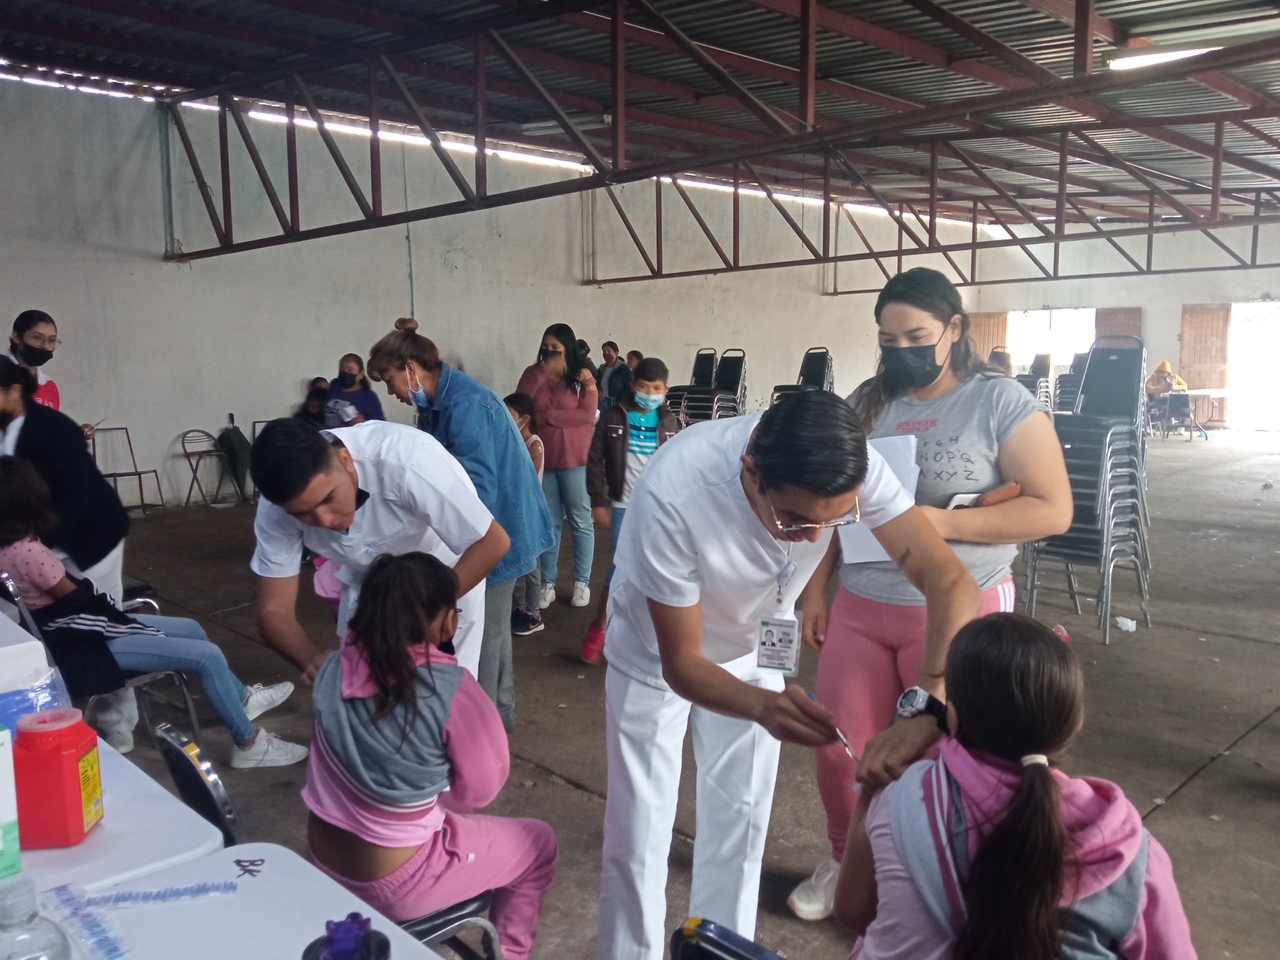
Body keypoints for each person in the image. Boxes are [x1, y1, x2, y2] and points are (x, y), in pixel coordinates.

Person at [597, 390, 980, 960]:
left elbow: (951, 584)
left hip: (757, 639)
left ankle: (720, 950)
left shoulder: (853, 466)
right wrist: (763, 707)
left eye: (834, 520)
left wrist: (926, 704)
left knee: (742, 818)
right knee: (640, 828)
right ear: (751, 472)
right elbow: (683, 663)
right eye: (795, 520)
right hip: (657, 648)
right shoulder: (677, 488)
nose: (814, 539)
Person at [789, 267, 1072, 921]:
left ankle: (942, 875)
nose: (901, 352)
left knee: (952, 753)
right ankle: (847, 863)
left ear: (954, 329)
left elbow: (1052, 508)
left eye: (916, 338)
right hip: (863, 601)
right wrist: (815, 589)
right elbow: (836, 499)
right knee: (840, 746)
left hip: (956, 604)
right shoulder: (867, 403)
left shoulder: (998, 403)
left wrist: (939, 524)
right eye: (887, 341)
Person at [833, 613, 1196, 960]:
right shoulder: (1128, 849)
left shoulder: (903, 801)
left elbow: (853, 912)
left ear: (952, 718)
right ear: (1076, 722)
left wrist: (871, 792)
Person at [303, 552, 558, 960]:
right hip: (397, 884)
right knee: (538, 843)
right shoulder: (451, 689)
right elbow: (480, 791)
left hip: (320, 862)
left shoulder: (332, 667)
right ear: (447, 623)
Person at [0, 456, 307, 768]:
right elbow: (75, 598)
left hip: (70, 633)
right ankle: (248, 743)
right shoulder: (29, 552)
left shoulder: (8, 547)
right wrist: (117, 614)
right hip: (83, 645)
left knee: (191, 628)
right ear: (29, 498)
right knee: (208, 656)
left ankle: (240, 698)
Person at [366, 318, 554, 732]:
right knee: (494, 636)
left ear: (411, 368)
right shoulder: (437, 405)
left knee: (481, 639)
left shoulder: (464, 406)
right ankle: (496, 726)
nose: (391, 391)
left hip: (500, 528)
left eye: (390, 379)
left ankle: (478, 734)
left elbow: (476, 490)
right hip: (498, 525)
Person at [248, 418, 510, 685]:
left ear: (345, 460)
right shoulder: (277, 509)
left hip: (449, 571)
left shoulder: (407, 460)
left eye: (328, 498)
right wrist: (313, 661)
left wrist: (426, 610)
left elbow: (493, 542)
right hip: (369, 581)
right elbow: (274, 609)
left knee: (448, 686)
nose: (324, 520)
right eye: (302, 514)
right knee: (367, 683)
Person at [0, 357, 139, 750]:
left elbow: (76, 497)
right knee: (43, 628)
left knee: (97, 624)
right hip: (32, 545)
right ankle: (52, 707)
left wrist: (37, 550)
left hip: (87, 540)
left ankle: (118, 719)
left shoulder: (54, 429)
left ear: (13, 390)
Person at [581, 357, 678, 665]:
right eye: (644, 387)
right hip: (624, 504)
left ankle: (644, 635)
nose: (650, 394)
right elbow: (595, 459)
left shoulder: (669, 423)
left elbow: (677, 465)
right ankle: (599, 628)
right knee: (620, 566)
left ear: (666, 390)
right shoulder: (614, 416)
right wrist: (598, 501)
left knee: (658, 568)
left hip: (658, 508)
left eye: (657, 388)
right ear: (634, 386)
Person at [516, 324, 598, 611]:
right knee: (549, 523)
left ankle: (582, 582)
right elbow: (522, 407)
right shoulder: (532, 374)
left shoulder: (581, 377)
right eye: (547, 347)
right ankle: (547, 583)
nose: (550, 353)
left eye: (557, 349)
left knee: (580, 521)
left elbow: (587, 414)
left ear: (568, 349)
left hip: (576, 460)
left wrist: (549, 416)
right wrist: (542, 372)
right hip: (544, 460)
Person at [8, 310, 97, 437]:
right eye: (37, 338)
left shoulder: (49, 387)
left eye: (51, 340)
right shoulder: (4, 380)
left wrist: (75, 434)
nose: (45, 346)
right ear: (17, 337)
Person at [504, 393, 546, 637]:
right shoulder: (513, 440)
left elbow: (524, 478)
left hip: (529, 512)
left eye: (511, 415)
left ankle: (534, 614)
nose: (507, 419)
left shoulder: (534, 444)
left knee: (531, 567)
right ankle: (519, 609)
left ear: (525, 418)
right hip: (515, 511)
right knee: (518, 564)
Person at [324, 354, 385, 427]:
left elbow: (380, 426)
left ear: (361, 374)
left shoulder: (369, 397)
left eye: (350, 370)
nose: (345, 373)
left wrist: (363, 422)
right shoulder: (334, 385)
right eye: (342, 369)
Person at [596, 341, 633, 412]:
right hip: (603, 402)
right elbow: (597, 382)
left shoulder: (623, 368)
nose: (606, 353)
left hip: (618, 403)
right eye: (604, 351)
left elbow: (629, 388)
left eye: (608, 351)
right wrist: (599, 389)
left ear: (616, 352)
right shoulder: (601, 369)